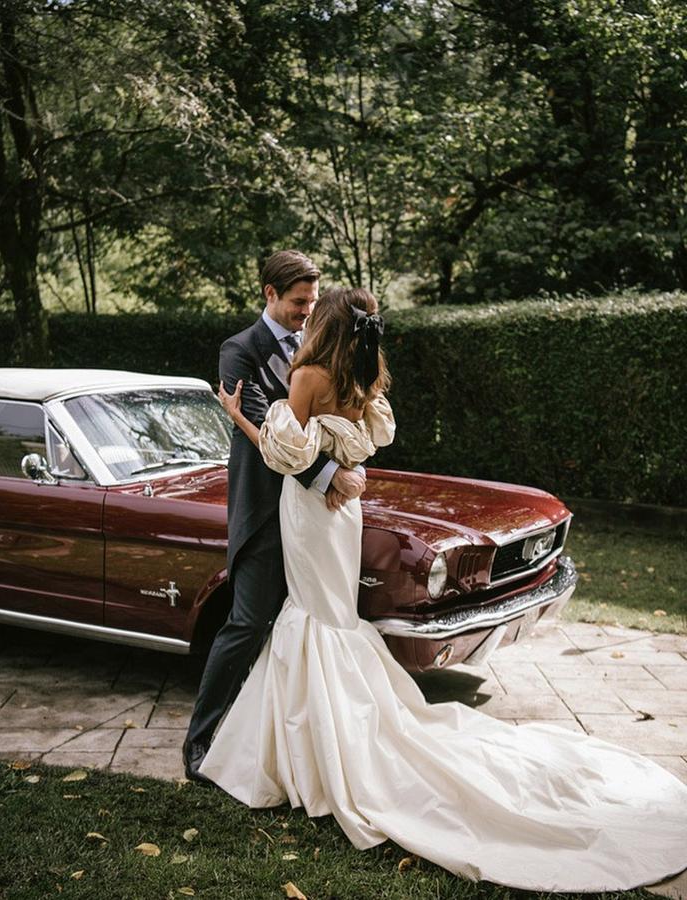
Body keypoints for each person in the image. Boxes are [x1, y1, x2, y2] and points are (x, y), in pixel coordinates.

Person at [199, 283, 687, 893]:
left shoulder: (309, 376)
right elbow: (366, 441)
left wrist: (240, 414)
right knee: (330, 613)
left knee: (311, 614)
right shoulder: (361, 372)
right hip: (343, 514)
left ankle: (317, 756)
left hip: (309, 514)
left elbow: (285, 455)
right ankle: (322, 740)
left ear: (322, 321)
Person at [183, 250, 367, 780]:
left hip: (316, 519)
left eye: (313, 301)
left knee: (308, 628)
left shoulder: (324, 346)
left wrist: (345, 468)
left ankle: (302, 746)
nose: (307, 311)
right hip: (267, 509)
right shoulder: (238, 351)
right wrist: (331, 477)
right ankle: (199, 741)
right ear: (269, 293)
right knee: (247, 624)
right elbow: (271, 428)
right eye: (297, 302)